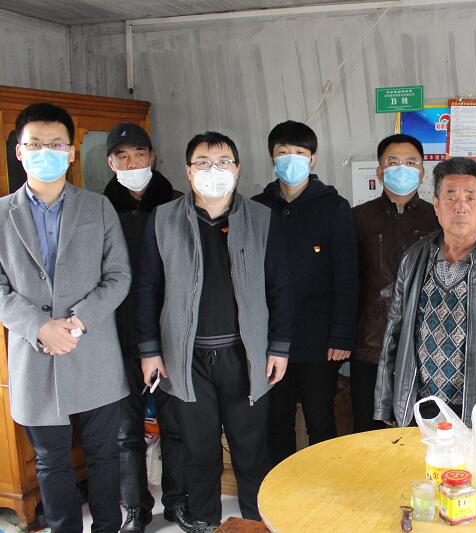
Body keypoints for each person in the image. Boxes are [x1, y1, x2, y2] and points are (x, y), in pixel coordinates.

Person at [135, 131, 292, 532]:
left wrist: (279, 347)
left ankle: (255, 522)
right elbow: (148, 288)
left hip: (246, 355)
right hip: (186, 358)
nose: (213, 170)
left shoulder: (260, 218)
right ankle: (205, 520)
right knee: (199, 449)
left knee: (251, 449)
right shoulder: (164, 220)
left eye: (223, 162)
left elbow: (280, 287)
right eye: (203, 163)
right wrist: (150, 351)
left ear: (237, 170)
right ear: (188, 172)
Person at [0, 103, 130, 532]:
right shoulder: (1, 214)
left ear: (71, 152)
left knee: (104, 455)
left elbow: (119, 276)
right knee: (51, 461)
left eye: (55, 144)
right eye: (35, 144)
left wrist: (77, 321)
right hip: (35, 354)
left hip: (92, 350)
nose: (46, 152)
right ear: (19, 151)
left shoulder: (97, 207)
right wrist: (38, 326)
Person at [374, 157, 476, 435]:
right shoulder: (414, 258)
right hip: (418, 409)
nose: (460, 207)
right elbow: (394, 334)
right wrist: (386, 402)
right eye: (451, 197)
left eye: (470, 197)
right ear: (436, 206)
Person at [103, 123, 192, 532]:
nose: (131, 163)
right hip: (117, 334)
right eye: (121, 157)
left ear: (152, 156)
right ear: (111, 163)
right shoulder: (99, 209)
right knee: (126, 429)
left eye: (139, 154)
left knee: (176, 425)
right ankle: (136, 508)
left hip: (170, 332)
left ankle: (178, 501)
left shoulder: (177, 204)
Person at [253, 120, 358, 460]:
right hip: (269, 338)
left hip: (320, 340)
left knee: (320, 420)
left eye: (299, 153)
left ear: (312, 159)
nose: (291, 159)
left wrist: (342, 335)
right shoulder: (256, 208)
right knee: (276, 421)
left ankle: (322, 483)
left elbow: (347, 275)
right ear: (272, 158)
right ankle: (279, 485)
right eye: (283, 152)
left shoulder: (334, 207)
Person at [351, 134, 438, 433]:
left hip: (425, 348)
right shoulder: (357, 218)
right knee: (368, 433)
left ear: (422, 171)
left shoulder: (437, 219)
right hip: (370, 345)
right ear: (380, 171)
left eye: (411, 162)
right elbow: (348, 282)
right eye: (393, 162)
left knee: (420, 433)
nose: (402, 168)